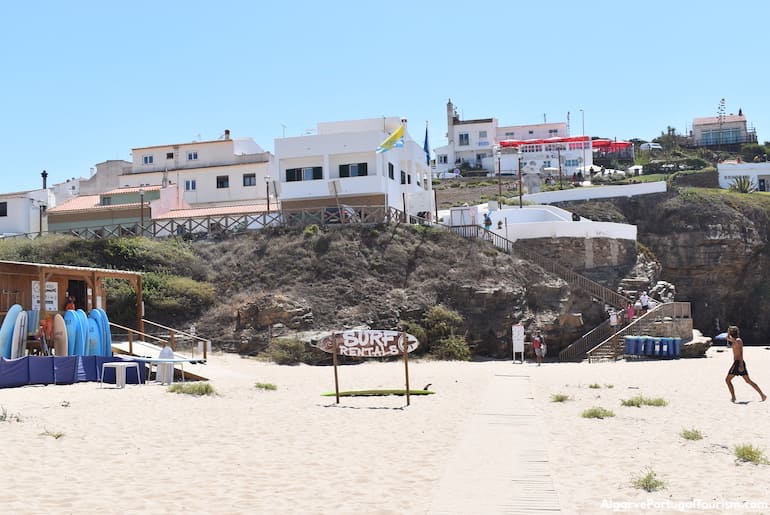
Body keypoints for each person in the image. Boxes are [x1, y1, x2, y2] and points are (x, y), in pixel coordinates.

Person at [725, 326, 766, 402]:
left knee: (727, 380)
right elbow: (727, 338)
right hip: (737, 363)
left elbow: (741, 353)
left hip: (738, 363)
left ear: (733, 332)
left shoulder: (738, 340)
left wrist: (741, 365)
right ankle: (762, 395)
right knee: (748, 381)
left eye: (731, 331)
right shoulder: (734, 340)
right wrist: (728, 331)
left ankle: (734, 397)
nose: (730, 333)